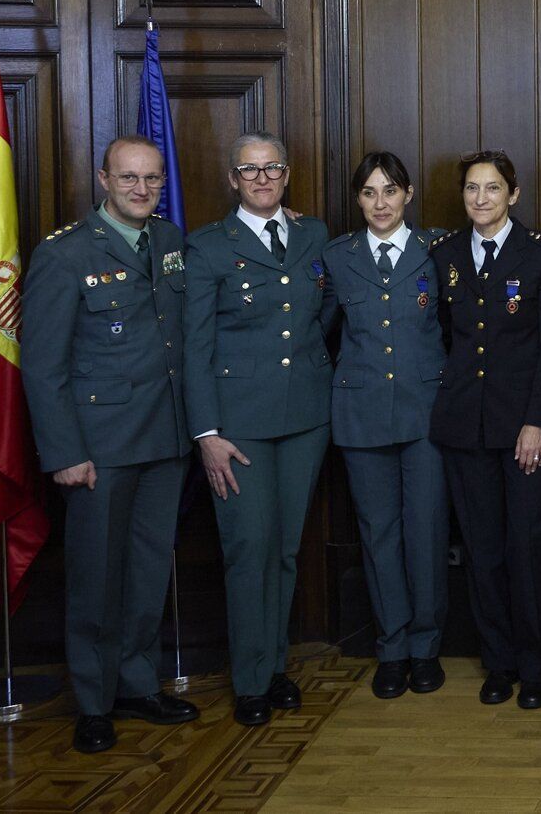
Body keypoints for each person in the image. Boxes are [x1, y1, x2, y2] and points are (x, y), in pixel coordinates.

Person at [22, 136, 199, 753]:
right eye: (129, 178)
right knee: (96, 579)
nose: (142, 189)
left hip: (165, 439)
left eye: (152, 178)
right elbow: (43, 366)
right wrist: (65, 452)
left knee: (148, 574)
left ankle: (137, 685)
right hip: (99, 447)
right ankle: (94, 702)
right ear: (103, 179)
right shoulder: (65, 254)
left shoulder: (171, 241)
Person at [183, 132, 332, 726]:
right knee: (250, 550)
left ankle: (275, 667)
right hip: (238, 425)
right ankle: (250, 680)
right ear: (233, 180)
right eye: (250, 170)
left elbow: (323, 312)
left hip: (305, 418)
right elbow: (195, 348)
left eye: (272, 168)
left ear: (287, 174)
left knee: (286, 549)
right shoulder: (208, 247)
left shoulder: (313, 233)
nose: (262, 178)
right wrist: (206, 433)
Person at [428, 150, 541, 711]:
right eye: (471, 188)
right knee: (481, 551)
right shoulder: (445, 254)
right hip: (466, 427)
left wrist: (537, 421)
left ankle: (533, 667)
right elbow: (443, 335)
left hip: (524, 430)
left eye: (492, 188)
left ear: (513, 194)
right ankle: (498, 663)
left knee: (526, 549)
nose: (480, 198)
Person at [320, 152, 449, 700]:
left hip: (426, 415)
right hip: (362, 414)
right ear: (358, 198)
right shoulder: (337, 256)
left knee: (426, 533)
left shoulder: (436, 249)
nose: (380, 203)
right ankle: (391, 648)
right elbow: (318, 332)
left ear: (408, 194)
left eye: (390, 191)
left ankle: (426, 647)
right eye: (369, 192)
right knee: (379, 536)